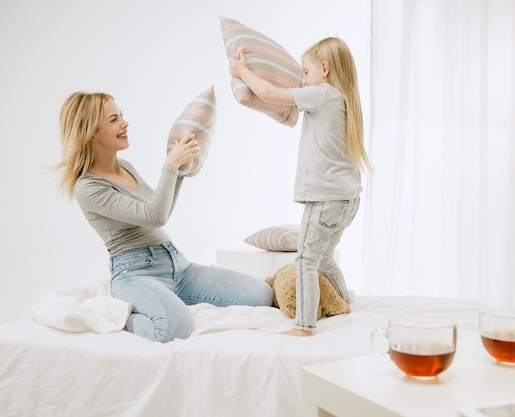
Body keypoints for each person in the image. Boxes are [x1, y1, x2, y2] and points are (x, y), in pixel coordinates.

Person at [56, 91, 274, 343]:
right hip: (135, 274)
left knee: (261, 296)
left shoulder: (125, 166)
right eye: (113, 119)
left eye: (121, 116)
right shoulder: (89, 187)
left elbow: (161, 210)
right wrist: (169, 166)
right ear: (92, 132)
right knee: (176, 329)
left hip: (176, 265)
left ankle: (166, 300)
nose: (125, 124)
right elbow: (154, 215)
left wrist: (180, 173)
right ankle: (122, 317)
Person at [229, 37, 371, 337]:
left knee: (305, 260)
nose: (302, 79)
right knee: (325, 256)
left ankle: (304, 326)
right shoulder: (341, 99)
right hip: (347, 199)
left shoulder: (321, 94)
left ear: (324, 68)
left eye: (305, 72)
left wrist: (241, 71)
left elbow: (268, 93)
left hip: (325, 199)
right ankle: (343, 301)